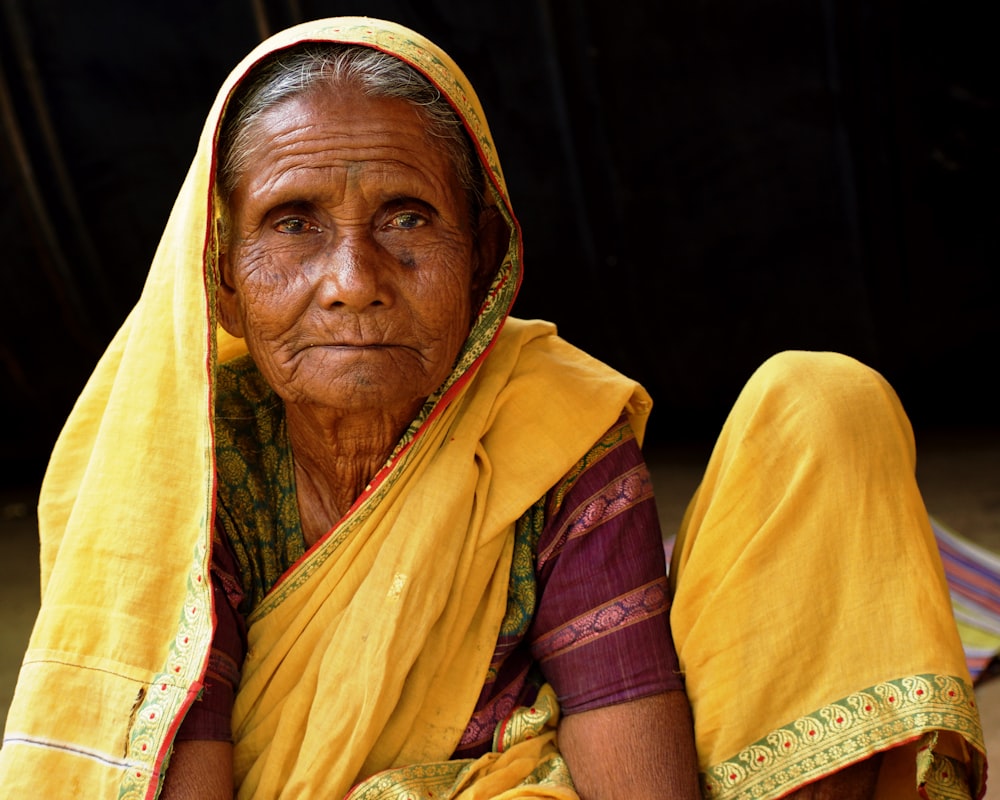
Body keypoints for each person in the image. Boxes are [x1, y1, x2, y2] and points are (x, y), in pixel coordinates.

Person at [0, 17, 986, 800]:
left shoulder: (549, 420)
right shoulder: (176, 461)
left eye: (407, 217)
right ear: (219, 280)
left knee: (823, 401)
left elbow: (618, 697)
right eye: (292, 223)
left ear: (483, 260)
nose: (352, 279)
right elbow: (174, 747)